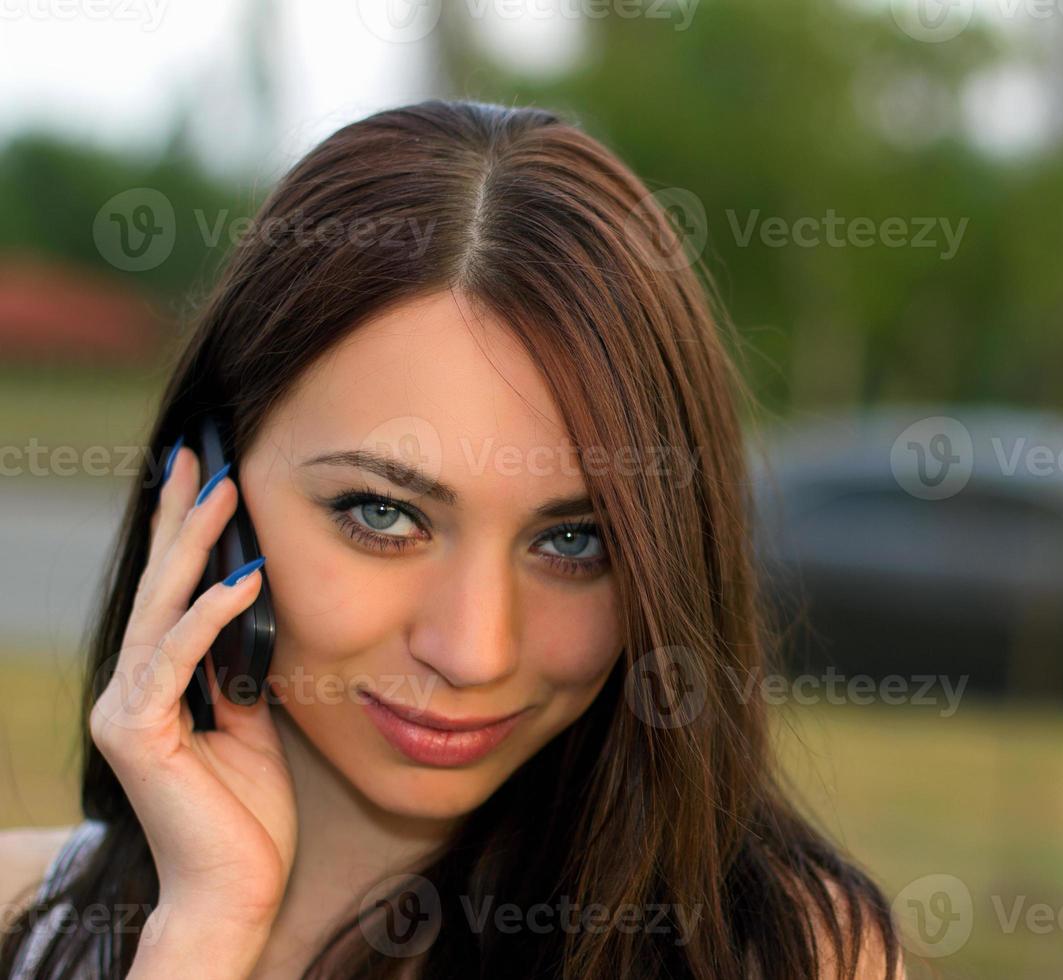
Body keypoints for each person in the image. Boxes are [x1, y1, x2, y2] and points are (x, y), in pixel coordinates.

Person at [0, 100, 905, 979]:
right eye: (384, 515)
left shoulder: (790, 958)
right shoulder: (15, 914)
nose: (473, 652)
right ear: (205, 486)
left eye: (576, 542)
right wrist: (205, 929)